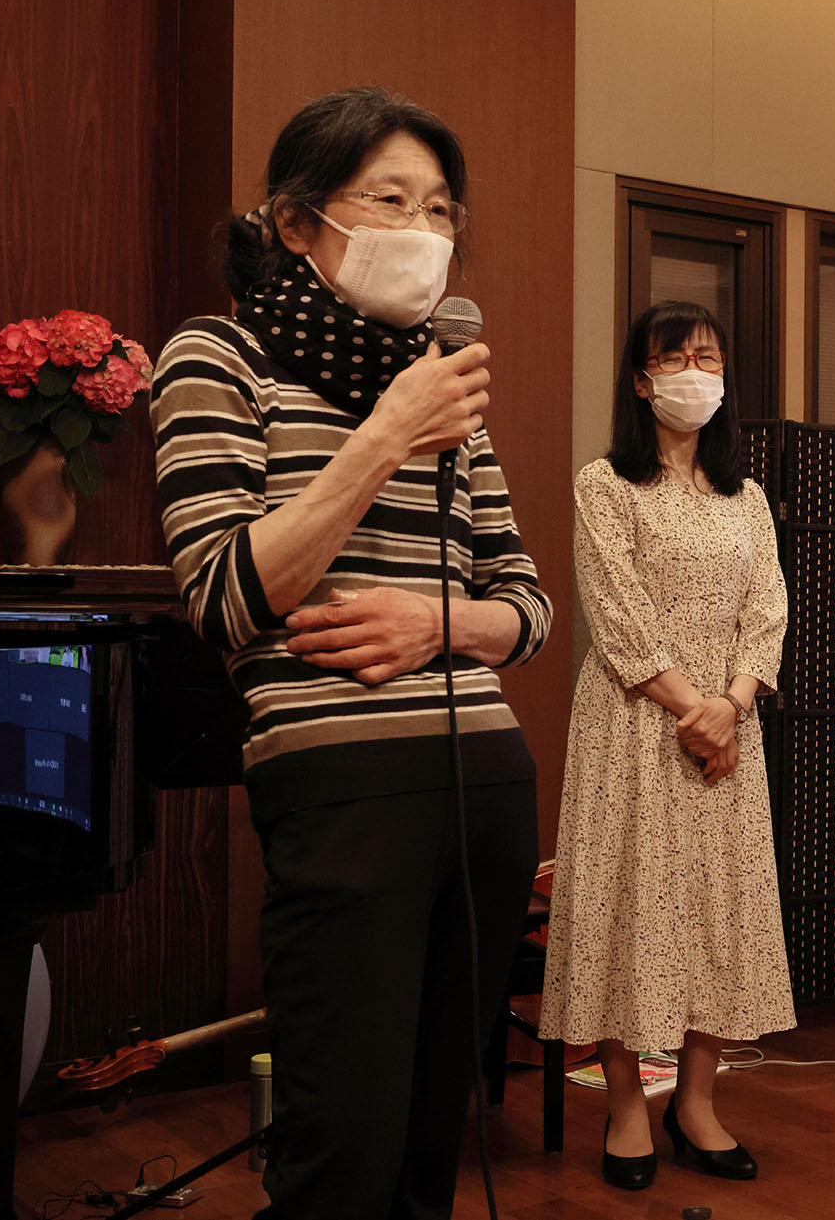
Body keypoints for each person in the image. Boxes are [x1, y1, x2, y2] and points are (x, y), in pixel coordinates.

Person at [150, 88, 551, 1220]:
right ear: (296, 220)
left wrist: (441, 623)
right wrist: (386, 433)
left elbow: (525, 605)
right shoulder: (217, 357)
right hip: (340, 791)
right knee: (341, 1149)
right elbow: (226, 594)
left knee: (431, 1146)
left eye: (441, 209)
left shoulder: (447, 390)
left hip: (486, 787)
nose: (424, 231)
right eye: (390, 201)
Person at [540, 301, 793, 1191]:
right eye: (676, 357)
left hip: (728, 729)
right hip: (634, 724)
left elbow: (768, 608)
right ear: (642, 381)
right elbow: (617, 613)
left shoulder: (746, 497)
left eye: (709, 357)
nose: (695, 372)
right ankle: (625, 1107)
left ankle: (697, 1103)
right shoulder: (606, 484)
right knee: (626, 907)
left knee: (719, 911)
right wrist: (696, 711)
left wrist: (733, 704)